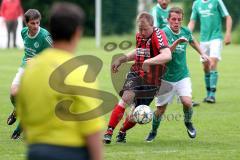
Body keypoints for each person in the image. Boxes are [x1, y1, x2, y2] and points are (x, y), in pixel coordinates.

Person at [16, 2, 104, 160]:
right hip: (70, 152)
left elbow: (25, 114)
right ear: (78, 33)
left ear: (50, 29)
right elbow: (92, 129)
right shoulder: (79, 71)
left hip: (35, 152)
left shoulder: (30, 69)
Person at [103, 12, 172, 144]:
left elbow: (167, 55)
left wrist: (149, 61)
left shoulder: (158, 35)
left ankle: (122, 132)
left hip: (152, 81)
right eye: (140, 29)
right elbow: (138, 51)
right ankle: (109, 132)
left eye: (145, 29)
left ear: (152, 26)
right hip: (136, 73)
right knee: (125, 99)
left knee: (137, 113)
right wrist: (122, 59)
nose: (142, 32)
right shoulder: (140, 35)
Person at [145, 7, 210, 142]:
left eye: (179, 20)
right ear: (168, 20)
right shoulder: (162, 33)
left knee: (187, 102)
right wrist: (177, 42)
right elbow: (166, 54)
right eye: (173, 19)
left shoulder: (185, 31)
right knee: (160, 111)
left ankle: (188, 122)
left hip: (182, 75)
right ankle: (153, 131)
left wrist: (202, 53)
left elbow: (192, 41)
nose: (176, 22)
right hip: (165, 78)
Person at [7, 9, 52, 139]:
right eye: (32, 23)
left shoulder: (45, 37)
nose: (36, 26)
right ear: (26, 23)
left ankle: (19, 129)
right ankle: (17, 111)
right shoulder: (23, 32)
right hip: (25, 67)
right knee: (14, 93)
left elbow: (54, 56)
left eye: (38, 23)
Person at [188, 0, 232, 103]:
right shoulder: (196, 3)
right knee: (205, 66)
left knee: (212, 63)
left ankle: (212, 95)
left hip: (216, 38)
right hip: (203, 40)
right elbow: (192, 21)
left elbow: (228, 17)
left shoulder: (217, 1)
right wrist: (187, 33)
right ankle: (208, 94)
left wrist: (228, 33)